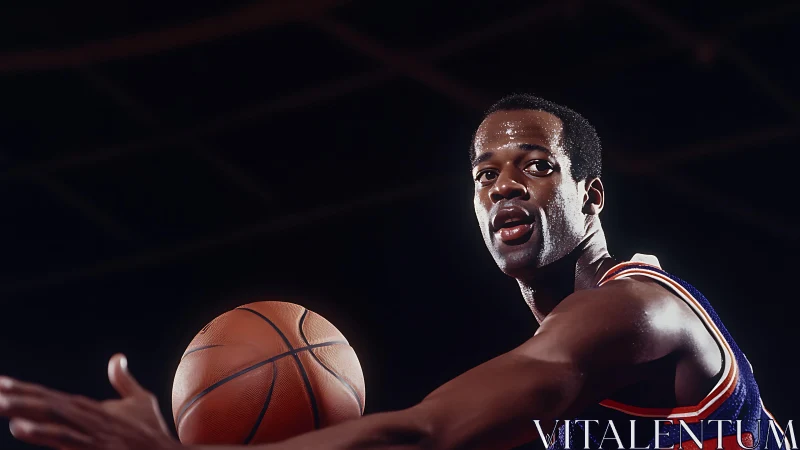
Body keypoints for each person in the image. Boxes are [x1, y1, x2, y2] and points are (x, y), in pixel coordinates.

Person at [0, 94, 787, 450]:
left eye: (536, 165)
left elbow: (425, 431)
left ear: (592, 194)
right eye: (484, 173)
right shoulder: (560, 391)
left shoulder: (639, 311)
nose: (504, 185)